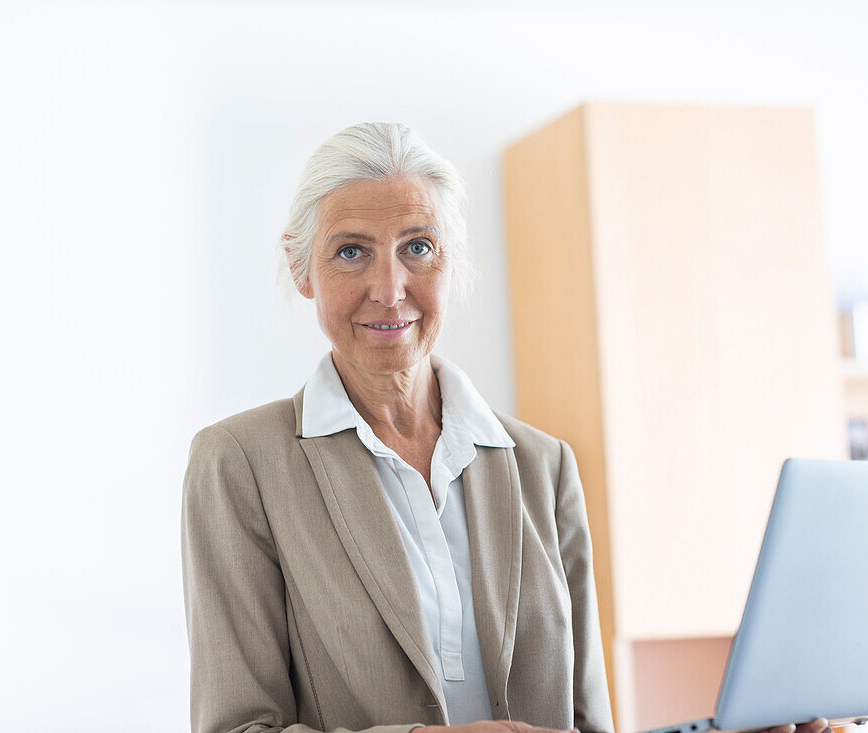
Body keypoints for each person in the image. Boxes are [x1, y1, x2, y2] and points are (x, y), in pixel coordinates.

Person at [180, 122, 832, 733]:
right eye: (351, 251)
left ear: (452, 264)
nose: (390, 286)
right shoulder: (241, 465)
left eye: (418, 247)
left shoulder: (542, 465)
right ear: (302, 269)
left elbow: (584, 722)